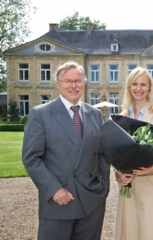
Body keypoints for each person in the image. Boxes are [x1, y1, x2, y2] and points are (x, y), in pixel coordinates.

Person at [22, 62, 110, 240]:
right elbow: (32, 158)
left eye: (78, 81)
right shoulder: (41, 114)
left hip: (92, 201)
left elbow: (101, 153)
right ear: (58, 83)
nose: (74, 85)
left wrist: (103, 185)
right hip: (59, 200)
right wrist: (54, 189)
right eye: (68, 81)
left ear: (84, 83)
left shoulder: (95, 114)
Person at [114, 67, 153, 240]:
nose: (138, 88)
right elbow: (115, 151)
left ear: (149, 88)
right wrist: (118, 172)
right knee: (130, 231)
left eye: (143, 84)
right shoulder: (121, 116)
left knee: (151, 232)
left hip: (152, 183)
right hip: (129, 184)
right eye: (135, 84)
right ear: (129, 87)